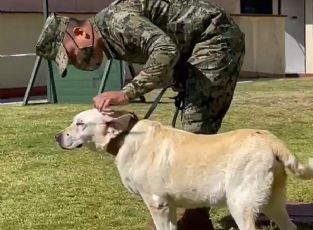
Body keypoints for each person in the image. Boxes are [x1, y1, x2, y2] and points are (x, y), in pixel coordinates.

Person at [35, 0, 245, 229]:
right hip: (193, 46)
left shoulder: (118, 22)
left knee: (196, 128)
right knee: (188, 133)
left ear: (80, 33)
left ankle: (196, 219)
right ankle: (182, 214)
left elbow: (165, 50)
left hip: (214, 36)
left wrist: (126, 94)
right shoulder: (111, 38)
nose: (76, 63)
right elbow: (167, 50)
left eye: (71, 55)